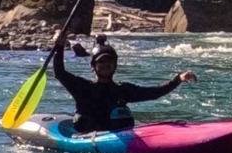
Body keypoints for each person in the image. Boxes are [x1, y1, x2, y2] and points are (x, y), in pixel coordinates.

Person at [50, 30, 198, 134]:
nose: (106, 65)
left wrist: (178, 79)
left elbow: (153, 93)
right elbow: (60, 73)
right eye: (101, 62)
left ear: (115, 66)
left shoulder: (123, 90)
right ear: (93, 66)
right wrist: (60, 47)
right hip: (87, 135)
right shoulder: (82, 88)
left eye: (110, 61)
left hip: (117, 136)